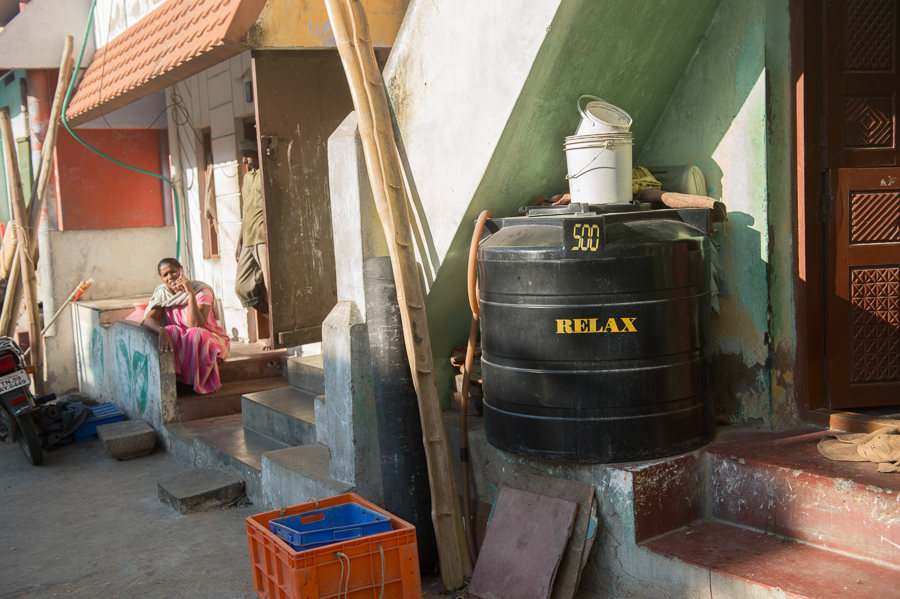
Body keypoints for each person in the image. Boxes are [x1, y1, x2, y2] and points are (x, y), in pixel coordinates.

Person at [142, 258, 231, 394]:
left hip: (209, 339)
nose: (170, 277)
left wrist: (190, 293)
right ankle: (178, 381)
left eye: (173, 272)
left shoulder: (201, 290)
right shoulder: (163, 293)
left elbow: (196, 324)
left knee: (196, 333)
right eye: (165, 275)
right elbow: (148, 320)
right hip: (185, 339)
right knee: (170, 330)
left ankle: (205, 382)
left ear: (181, 271)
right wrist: (161, 330)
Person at [234, 138, 272, 349]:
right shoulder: (247, 178)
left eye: (247, 155)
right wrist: (240, 240)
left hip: (263, 238)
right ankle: (271, 319)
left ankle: (274, 332)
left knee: (271, 287)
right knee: (242, 288)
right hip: (248, 240)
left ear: (258, 153)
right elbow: (246, 210)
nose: (244, 160)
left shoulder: (268, 172)